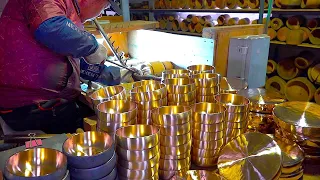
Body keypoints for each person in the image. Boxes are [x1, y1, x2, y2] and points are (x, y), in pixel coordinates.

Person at [0, 0, 127, 133]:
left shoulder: (66, 12)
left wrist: (117, 75)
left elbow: (74, 63)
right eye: (105, 7)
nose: (100, 15)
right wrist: (91, 47)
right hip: (31, 108)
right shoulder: (50, 8)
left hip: (46, 105)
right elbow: (51, 28)